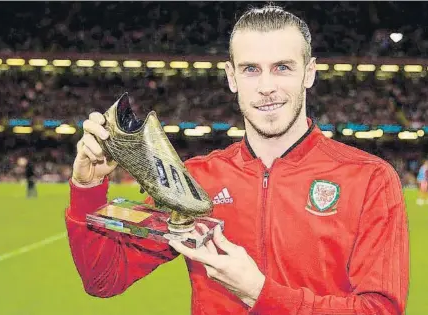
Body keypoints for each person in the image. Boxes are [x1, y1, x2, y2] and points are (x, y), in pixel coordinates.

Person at [65, 5, 409, 315]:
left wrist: (260, 293)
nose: (266, 86)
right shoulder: (195, 180)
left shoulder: (370, 179)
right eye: (250, 70)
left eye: (283, 68)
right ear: (232, 77)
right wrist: (88, 187)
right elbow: (104, 279)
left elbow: (379, 310)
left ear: (309, 73)